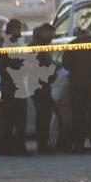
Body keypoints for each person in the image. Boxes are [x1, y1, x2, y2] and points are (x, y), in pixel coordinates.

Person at [0, 19, 27, 156]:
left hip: (13, 85)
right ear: (12, 29)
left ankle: (11, 147)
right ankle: (9, 148)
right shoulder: (4, 45)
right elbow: (5, 67)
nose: (19, 33)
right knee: (12, 118)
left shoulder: (9, 43)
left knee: (13, 118)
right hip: (11, 85)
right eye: (18, 30)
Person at [30, 23, 57, 154]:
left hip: (39, 85)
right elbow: (45, 66)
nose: (52, 37)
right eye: (51, 35)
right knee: (43, 115)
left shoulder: (39, 47)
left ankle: (43, 143)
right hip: (39, 86)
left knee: (43, 115)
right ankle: (42, 144)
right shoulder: (38, 48)